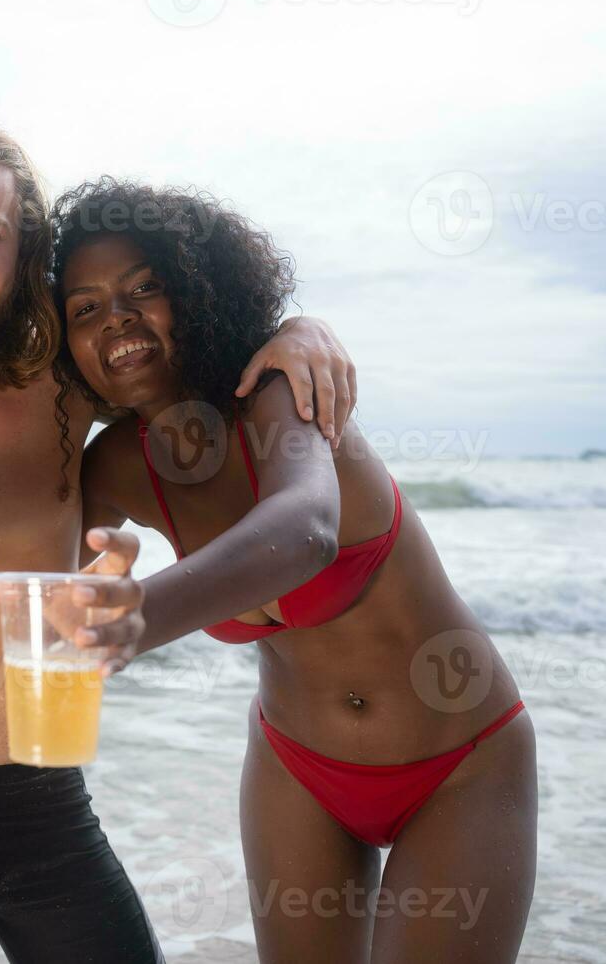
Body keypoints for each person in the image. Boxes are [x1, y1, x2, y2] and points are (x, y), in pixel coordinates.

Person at [0, 119, 356, 963]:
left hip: (43, 799)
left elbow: (188, 355)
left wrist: (298, 330)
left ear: (23, 258)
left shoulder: (66, 389)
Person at [53, 178, 536, 964]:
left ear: (201, 293)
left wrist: (127, 620)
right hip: (296, 770)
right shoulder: (115, 467)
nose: (119, 319)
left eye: (147, 289)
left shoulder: (278, 390)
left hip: (462, 764)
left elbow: (303, 531)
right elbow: (18, 560)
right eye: (85, 309)